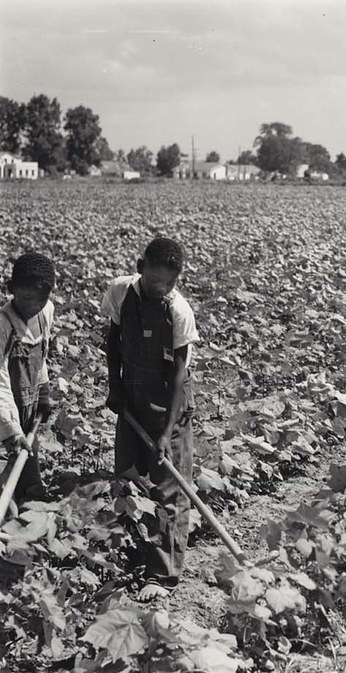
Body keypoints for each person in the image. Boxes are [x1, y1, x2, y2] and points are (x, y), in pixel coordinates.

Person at [103, 237, 199, 601]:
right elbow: (113, 341)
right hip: (132, 395)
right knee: (128, 474)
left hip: (168, 400)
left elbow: (179, 374)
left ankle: (162, 575)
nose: (162, 288)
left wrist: (166, 431)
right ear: (140, 266)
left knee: (169, 488)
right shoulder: (120, 291)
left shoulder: (179, 311)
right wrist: (115, 387)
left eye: (170, 283)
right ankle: (131, 551)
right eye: (156, 281)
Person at [0, 254, 56, 504]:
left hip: (28, 408)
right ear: (11, 290)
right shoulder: (3, 325)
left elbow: (41, 356)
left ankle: (30, 497)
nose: (34, 305)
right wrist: (11, 431)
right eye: (26, 298)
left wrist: (43, 392)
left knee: (30, 478)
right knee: (6, 480)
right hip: (3, 411)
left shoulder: (46, 312)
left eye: (41, 299)